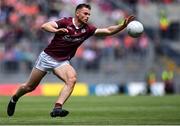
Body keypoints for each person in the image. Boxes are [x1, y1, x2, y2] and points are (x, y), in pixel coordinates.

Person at [7, 3, 135, 117]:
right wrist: (56, 30)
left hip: (62, 62)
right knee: (29, 87)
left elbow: (107, 30)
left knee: (72, 79)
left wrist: (122, 26)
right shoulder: (65, 22)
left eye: (89, 14)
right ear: (77, 13)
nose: (87, 16)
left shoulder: (87, 29)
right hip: (47, 58)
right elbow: (45, 26)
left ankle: (57, 108)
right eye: (85, 13)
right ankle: (14, 98)